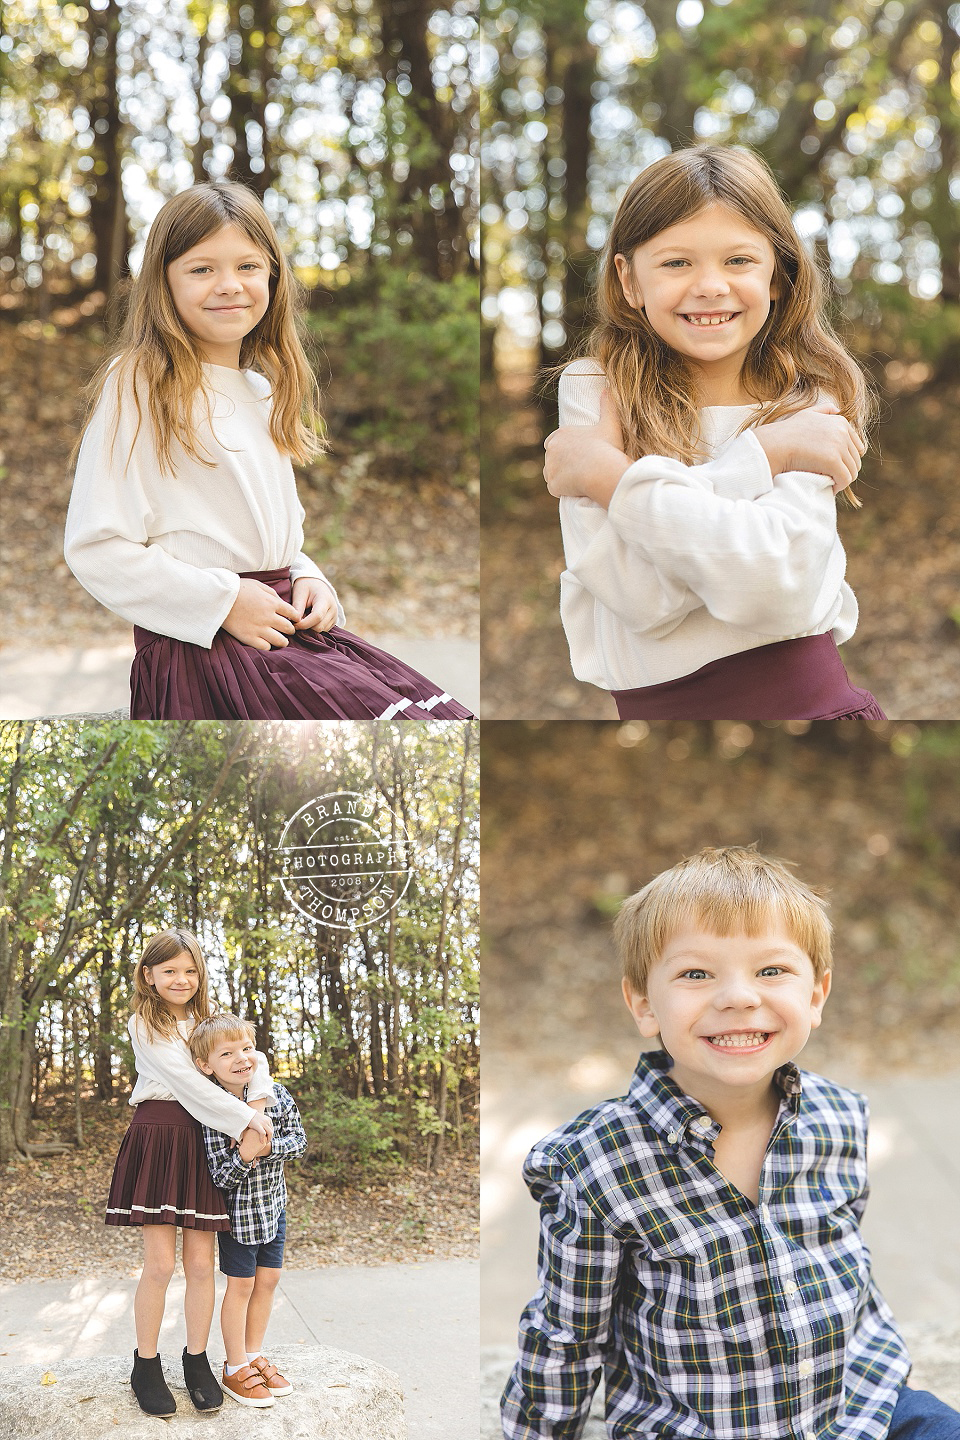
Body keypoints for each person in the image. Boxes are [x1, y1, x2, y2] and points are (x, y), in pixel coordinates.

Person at [502, 846, 960, 1439]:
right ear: (643, 1003)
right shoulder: (595, 1164)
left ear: (816, 996)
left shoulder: (841, 1117)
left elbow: (843, 1257)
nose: (739, 997)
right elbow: (567, 1336)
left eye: (772, 971)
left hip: (860, 1408)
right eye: (697, 974)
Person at [64, 180, 472, 720]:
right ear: (163, 284)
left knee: (434, 725)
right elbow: (97, 546)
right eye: (201, 268)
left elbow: (259, 536)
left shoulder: (262, 391)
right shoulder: (140, 383)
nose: (229, 285)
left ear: (273, 277)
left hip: (277, 629)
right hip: (205, 651)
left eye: (248, 266)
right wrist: (223, 601)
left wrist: (308, 576)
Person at [543, 144, 885, 720]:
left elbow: (776, 587)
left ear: (778, 274)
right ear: (629, 280)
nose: (710, 286)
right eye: (676, 263)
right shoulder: (598, 393)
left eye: (738, 261)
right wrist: (761, 460)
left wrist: (610, 477)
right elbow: (638, 598)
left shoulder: (806, 405)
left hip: (810, 711)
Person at [105, 928, 277, 1417]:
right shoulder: (147, 1023)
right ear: (149, 976)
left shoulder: (208, 1020)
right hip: (160, 1134)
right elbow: (187, 1084)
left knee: (202, 1264)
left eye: (189, 970)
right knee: (160, 1264)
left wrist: (257, 1103)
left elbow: (252, 1058)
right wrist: (246, 1118)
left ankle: (197, 1361)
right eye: (169, 971)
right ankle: (146, 1364)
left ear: (200, 973)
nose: (181, 979)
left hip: (205, 1138)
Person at [188, 1013, 307, 1408]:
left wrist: (265, 1147)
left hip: (274, 1206)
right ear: (207, 1066)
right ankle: (234, 1365)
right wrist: (245, 1154)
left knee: (269, 1280)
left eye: (247, 1048)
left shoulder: (275, 1093)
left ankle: (254, 1354)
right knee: (240, 1286)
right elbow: (219, 1175)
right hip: (238, 1215)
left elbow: (298, 1140)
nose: (242, 1058)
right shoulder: (214, 1110)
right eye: (227, 1053)